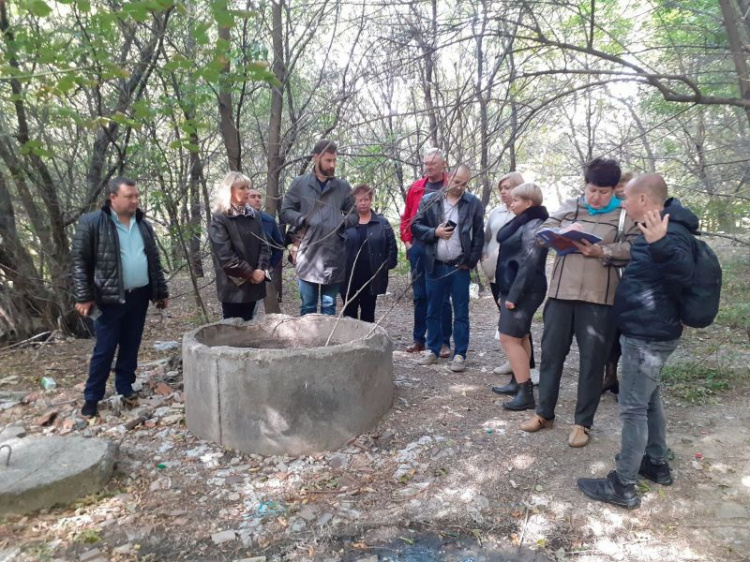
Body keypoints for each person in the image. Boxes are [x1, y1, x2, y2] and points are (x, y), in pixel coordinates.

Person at [578, 173, 698, 509]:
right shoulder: (657, 228)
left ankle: (623, 485)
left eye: (625, 197)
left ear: (643, 199)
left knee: (632, 409)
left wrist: (659, 245)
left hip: (648, 334)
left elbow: (683, 275)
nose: (621, 202)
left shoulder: (668, 233)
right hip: (649, 330)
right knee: (648, 398)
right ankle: (655, 463)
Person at [520, 157, 639, 447]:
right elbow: (542, 230)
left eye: (603, 191)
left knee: (592, 362)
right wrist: (556, 237)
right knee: (551, 355)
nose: (595, 197)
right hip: (561, 294)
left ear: (614, 190)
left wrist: (604, 251)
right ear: (584, 186)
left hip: (599, 299)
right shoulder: (571, 206)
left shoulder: (625, 215)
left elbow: (636, 247)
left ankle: (582, 423)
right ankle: (544, 413)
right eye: (591, 190)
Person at [72, 177, 169, 418]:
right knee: (104, 349)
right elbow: (79, 263)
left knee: (131, 344)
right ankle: (92, 397)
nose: (135, 200)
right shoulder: (92, 222)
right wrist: (83, 297)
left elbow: (153, 259)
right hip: (108, 298)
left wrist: (161, 292)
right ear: (112, 197)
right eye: (129, 196)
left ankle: (125, 388)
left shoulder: (142, 224)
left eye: (137, 196)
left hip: (139, 295)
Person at [412, 165, 484, 373]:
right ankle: (433, 349)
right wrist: (434, 232)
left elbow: (479, 235)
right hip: (434, 265)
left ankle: (460, 353)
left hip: (458, 267)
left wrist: (469, 262)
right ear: (448, 178)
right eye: (456, 181)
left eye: (464, 182)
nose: (460, 186)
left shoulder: (473, 203)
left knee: (461, 312)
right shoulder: (430, 200)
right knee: (433, 309)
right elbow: (415, 226)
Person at [280, 139, 357, 315]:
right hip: (307, 255)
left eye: (334, 160)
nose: (332, 165)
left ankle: (327, 344)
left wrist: (342, 222)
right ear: (316, 158)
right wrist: (302, 219)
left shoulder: (342, 186)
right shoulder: (300, 183)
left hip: (334, 256)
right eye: (328, 160)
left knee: (329, 307)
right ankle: (309, 343)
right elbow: (285, 211)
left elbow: (354, 214)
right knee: (308, 307)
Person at [490, 183, 549, 410]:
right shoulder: (522, 221)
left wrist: (512, 295)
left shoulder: (534, 225)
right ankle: (517, 381)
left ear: (528, 203)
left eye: (515, 200)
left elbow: (529, 262)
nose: (511, 203)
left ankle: (525, 393)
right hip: (512, 286)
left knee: (508, 338)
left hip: (526, 289)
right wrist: (503, 290)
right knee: (521, 336)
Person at [400, 148, 453, 357]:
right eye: (426, 163)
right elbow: (406, 217)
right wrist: (407, 243)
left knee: (442, 297)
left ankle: (442, 342)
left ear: (443, 164)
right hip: (419, 246)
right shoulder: (416, 188)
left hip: (443, 246)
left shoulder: (451, 185)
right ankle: (419, 339)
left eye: (433, 163)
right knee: (420, 295)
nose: (429, 167)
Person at [209, 172, 271, 321]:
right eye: (242, 188)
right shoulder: (220, 218)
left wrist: (261, 270)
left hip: (254, 285)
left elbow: (264, 244)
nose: (247, 191)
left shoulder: (254, 215)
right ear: (230, 191)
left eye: (248, 187)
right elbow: (225, 256)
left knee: (250, 328)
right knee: (232, 331)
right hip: (233, 288)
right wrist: (250, 274)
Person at [341, 184, 398, 322]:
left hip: (372, 276)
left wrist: (386, 265)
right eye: (359, 200)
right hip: (348, 276)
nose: (363, 203)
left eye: (366, 199)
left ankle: (367, 342)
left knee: (368, 312)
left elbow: (392, 246)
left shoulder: (381, 223)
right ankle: (350, 343)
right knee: (349, 314)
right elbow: (336, 245)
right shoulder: (345, 222)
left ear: (371, 200)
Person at [602, 171, 634, 397]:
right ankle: (609, 375)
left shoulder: (640, 211)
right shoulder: (609, 209)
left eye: (625, 187)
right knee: (609, 332)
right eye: (618, 187)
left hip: (633, 281)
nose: (621, 191)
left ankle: (630, 382)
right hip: (611, 279)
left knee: (628, 333)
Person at [247, 186, 284, 315]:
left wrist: (269, 268)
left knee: (252, 311)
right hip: (240, 271)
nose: (257, 199)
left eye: (259, 196)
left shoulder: (269, 221)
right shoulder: (236, 220)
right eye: (253, 197)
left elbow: (278, 247)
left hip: (260, 273)